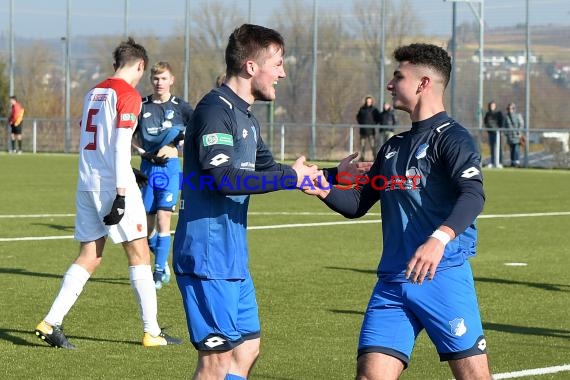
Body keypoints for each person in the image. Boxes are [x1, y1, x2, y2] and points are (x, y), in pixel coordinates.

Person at [172, 24, 369, 380]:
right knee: (215, 360)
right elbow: (223, 179)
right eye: (277, 64)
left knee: (247, 349)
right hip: (207, 257)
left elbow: (272, 169)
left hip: (232, 259)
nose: (282, 73)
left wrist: (334, 174)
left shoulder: (245, 117)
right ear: (251, 67)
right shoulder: (214, 111)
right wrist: (290, 178)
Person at [305, 43, 491, 379]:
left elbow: (473, 195)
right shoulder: (392, 146)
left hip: (442, 276)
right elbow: (358, 203)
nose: (390, 85)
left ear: (423, 84)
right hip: (392, 282)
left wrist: (438, 239)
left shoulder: (453, 139)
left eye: (398, 77)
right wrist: (323, 189)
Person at [34, 38, 181, 349]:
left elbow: (92, 133)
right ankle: (151, 331)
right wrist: (121, 190)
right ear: (140, 65)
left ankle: (50, 322)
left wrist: (129, 170)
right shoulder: (128, 94)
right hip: (112, 185)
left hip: (86, 182)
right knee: (140, 254)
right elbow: (117, 145)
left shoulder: (93, 92)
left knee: (90, 256)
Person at [133, 61, 194, 290]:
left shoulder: (181, 106)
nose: (160, 83)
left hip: (169, 169)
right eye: (156, 79)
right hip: (147, 169)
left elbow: (198, 127)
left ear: (172, 80)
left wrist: (176, 145)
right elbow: (129, 132)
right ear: (151, 80)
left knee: (163, 219)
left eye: (164, 78)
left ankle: (158, 271)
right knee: (146, 230)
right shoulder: (141, 105)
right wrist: (141, 151)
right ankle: (161, 257)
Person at [356, 96, 381, 161]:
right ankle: (362, 158)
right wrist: (361, 123)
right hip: (363, 131)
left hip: (371, 132)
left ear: (372, 102)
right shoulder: (362, 109)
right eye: (367, 101)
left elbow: (379, 118)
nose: (368, 102)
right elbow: (358, 117)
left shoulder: (374, 109)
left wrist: (374, 124)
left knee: (373, 146)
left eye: (369, 101)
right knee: (362, 146)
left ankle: (375, 159)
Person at [503, 102, 524, 167]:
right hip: (510, 136)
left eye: (511, 108)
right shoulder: (506, 117)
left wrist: (518, 132)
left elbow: (521, 124)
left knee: (516, 149)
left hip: (517, 136)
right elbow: (504, 126)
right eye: (508, 109)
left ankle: (517, 162)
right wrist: (506, 133)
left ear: (514, 109)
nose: (510, 110)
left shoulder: (518, 116)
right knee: (511, 149)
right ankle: (512, 162)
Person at [483, 100, 503, 168]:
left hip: (498, 133)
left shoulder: (498, 113)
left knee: (499, 148)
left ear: (495, 106)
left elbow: (501, 122)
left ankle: (499, 162)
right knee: (492, 148)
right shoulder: (487, 114)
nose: (492, 107)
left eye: (493, 105)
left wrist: (498, 130)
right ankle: (492, 162)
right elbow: (486, 122)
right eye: (491, 105)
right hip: (491, 133)